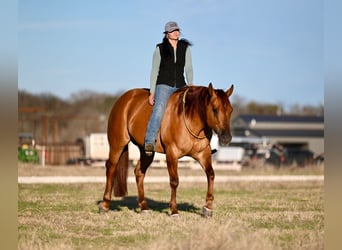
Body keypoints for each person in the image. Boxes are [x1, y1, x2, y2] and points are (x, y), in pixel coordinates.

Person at [144, 21, 194, 156]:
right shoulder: (160, 49)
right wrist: (152, 92)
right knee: (159, 108)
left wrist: (190, 85)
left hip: (181, 85)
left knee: (192, 109)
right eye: (172, 31)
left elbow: (188, 68)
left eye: (177, 30)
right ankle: (149, 140)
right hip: (164, 84)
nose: (176, 33)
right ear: (167, 34)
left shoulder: (185, 48)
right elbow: (154, 71)